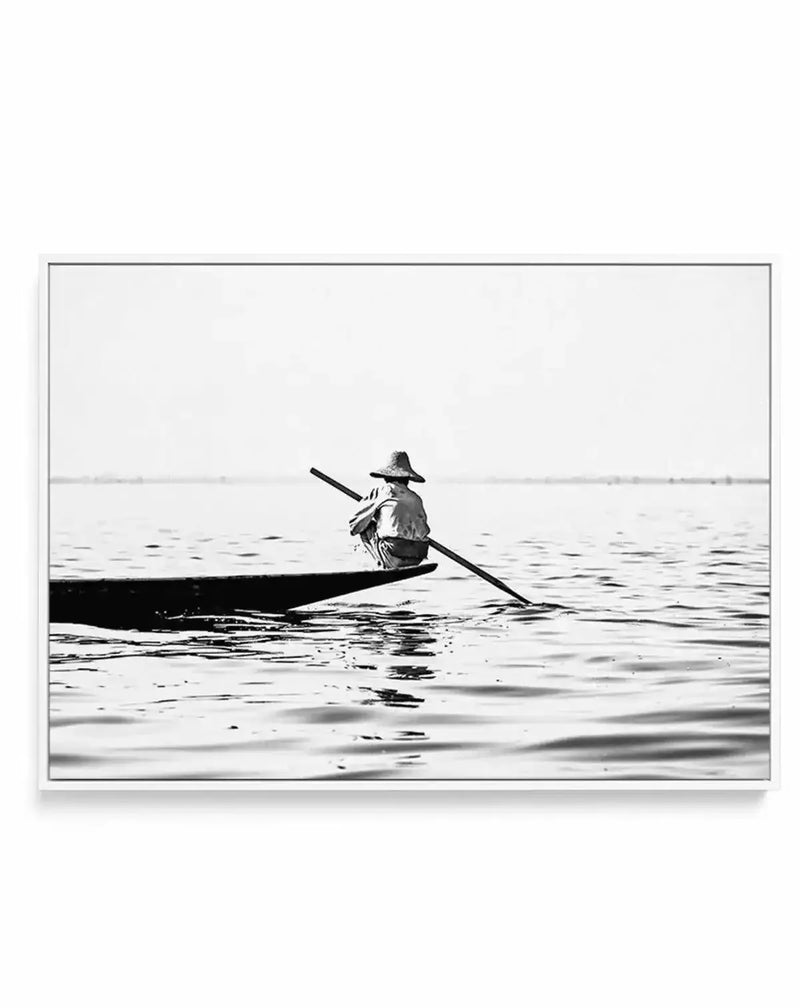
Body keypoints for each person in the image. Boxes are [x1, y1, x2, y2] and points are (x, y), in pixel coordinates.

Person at [349, 451, 431, 569]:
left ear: (386, 477)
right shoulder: (416, 498)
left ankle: (381, 564)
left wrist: (373, 518)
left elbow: (354, 526)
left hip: (393, 554)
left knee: (366, 527)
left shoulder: (382, 492)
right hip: (418, 556)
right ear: (407, 478)